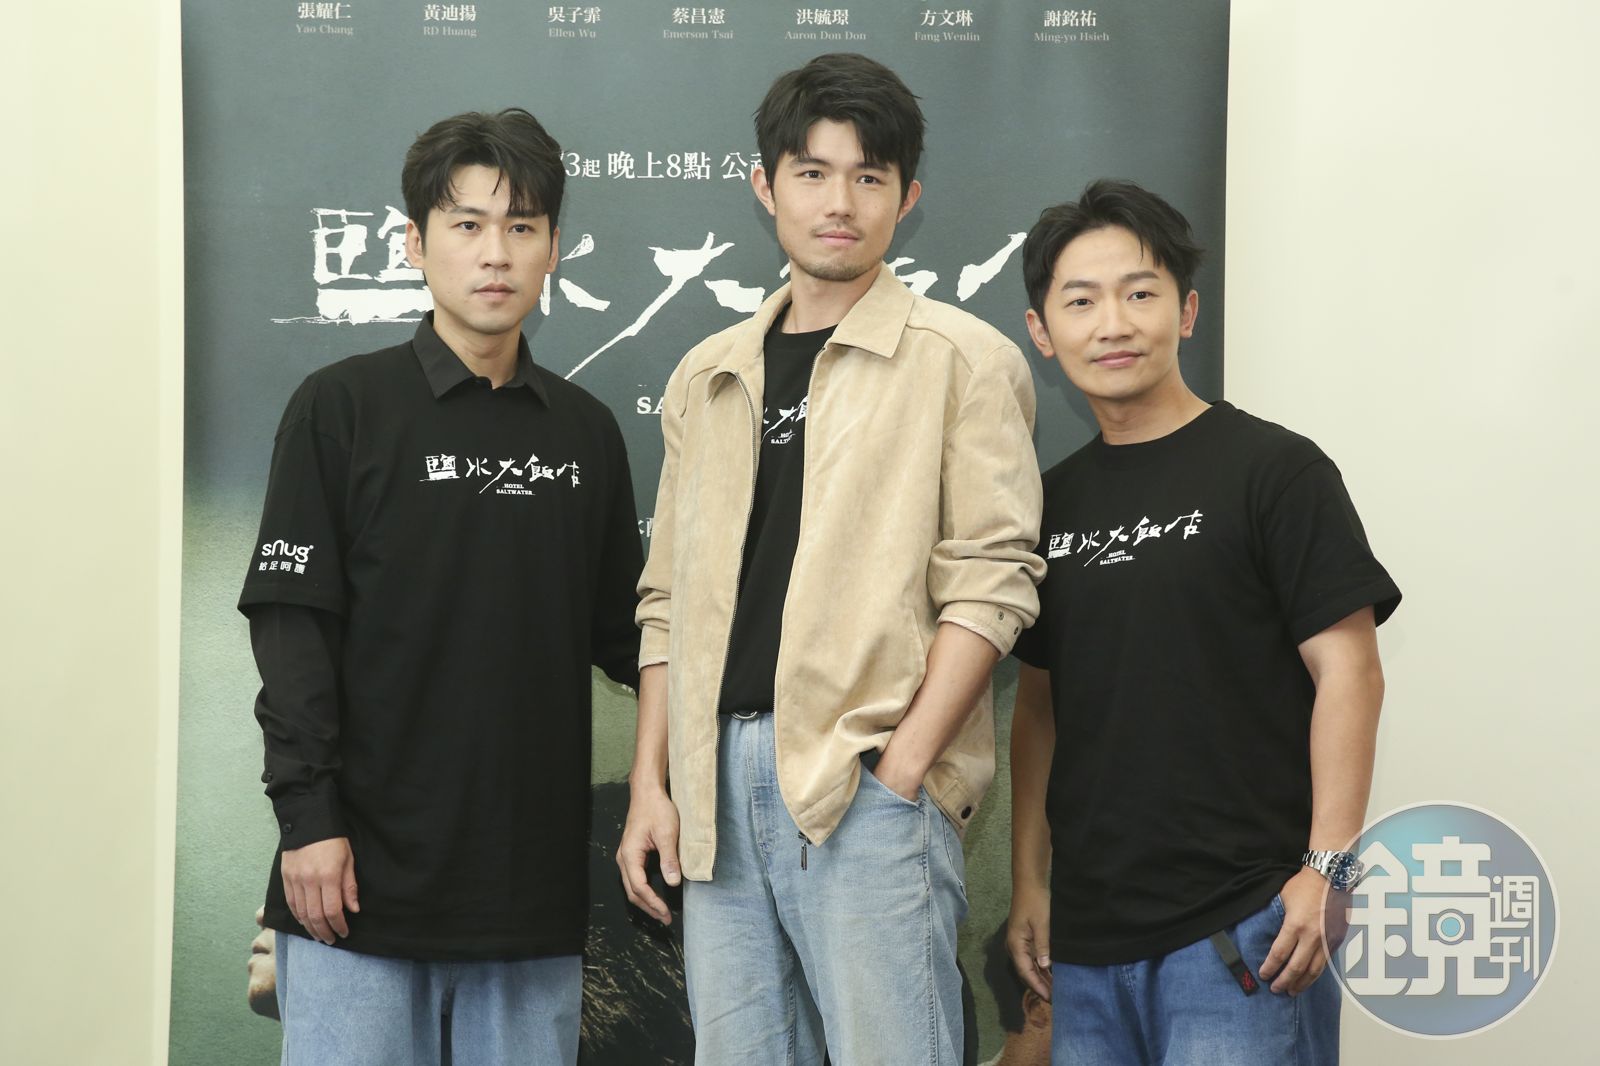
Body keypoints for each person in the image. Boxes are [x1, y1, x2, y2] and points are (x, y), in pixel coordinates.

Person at [616, 52, 1044, 1065]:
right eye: (811, 172)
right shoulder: (706, 374)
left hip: (867, 781)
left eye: (868, 176)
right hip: (713, 799)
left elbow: (992, 582)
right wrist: (652, 784)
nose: (839, 202)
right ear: (766, 187)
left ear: (907, 197)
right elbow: (666, 598)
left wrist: (900, 772)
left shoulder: (963, 360)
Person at [239, 108, 643, 1066]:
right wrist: (308, 823)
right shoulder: (340, 407)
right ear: (416, 244)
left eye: (522, 227)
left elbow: (634, 637)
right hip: (353, 889)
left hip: (530, 902)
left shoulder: (585, 432)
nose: (495, 254)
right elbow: (292, 633)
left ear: (553, 249)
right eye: (467, 225)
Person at [1006, 179, 1400, 1065]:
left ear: (1186, 312)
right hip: (1087, 947)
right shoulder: (1046, 504)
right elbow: (1039, 707)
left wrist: (1327, 869)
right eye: (1081, 301)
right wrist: (1029, 880)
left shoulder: (1276, 471)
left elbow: (1350, 671)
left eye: (1140, 293)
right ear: (1042, 332)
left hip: (1246, 929)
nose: (1113, 324)